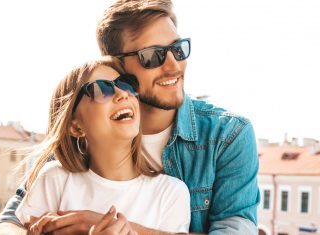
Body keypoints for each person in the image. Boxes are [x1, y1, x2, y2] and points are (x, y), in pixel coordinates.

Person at [0, 0, 260, 234]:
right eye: (152, 56)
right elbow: (9, 221)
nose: (174, 66)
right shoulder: (86, 136)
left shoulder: (229, 135)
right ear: (115, 65)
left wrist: (109, 226)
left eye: (178, 49)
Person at [14, 57, 190, 235]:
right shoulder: (54, 179)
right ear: (75, 126)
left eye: (126, 84)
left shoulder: (171, 193)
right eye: (102, 89)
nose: (123, 93)